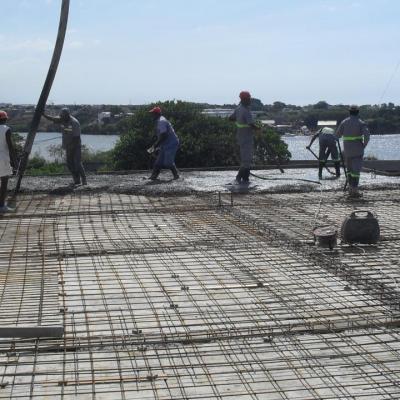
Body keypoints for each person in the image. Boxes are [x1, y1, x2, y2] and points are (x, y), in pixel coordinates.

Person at [43, 108, 87, 185]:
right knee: (69, 164)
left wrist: (71, 147)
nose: (61, 118)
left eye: (63, 116)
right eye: (61, 116)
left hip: (76, 145)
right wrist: (43, 114)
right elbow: (52, 118)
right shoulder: (62, 119)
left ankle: (84, 179)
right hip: (68, 145)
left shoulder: (74, 123)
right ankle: (76, 179)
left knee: (77, 163)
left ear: (67, 115)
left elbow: (76, 138)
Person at [336, 105, 370, 198]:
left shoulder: (344, 122)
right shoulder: (361, 123)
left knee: (349, 171)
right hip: (358, 150)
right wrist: (364, 145)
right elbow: (367, 135)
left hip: (347, 151)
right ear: (358, 112)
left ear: (349, 112)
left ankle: (350, 189)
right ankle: (354, 191)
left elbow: (337, 135)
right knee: (356, 171)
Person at [229, 91, 260, 183]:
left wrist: (239, 119)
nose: (250, 100)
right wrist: (258, 129)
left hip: (241, 136)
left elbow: (230, 118)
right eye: (248, 99)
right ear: (244, 99)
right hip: (246, 137)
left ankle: (243, 177)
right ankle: (242, 177)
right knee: (247, 159)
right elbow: (251, 124)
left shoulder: (238, 109)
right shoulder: (245, 111)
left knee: (246, 157)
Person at [147, 107, 180, 180]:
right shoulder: (159, 120)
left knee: (168, 162)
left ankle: (176, 175)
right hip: (165, 143)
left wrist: (155, 146)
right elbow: (161, 135)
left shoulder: (161, 121)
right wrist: (155, 146)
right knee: (158, 161)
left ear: (156, 114)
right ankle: (153, 176)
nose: (151, 116)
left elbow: (164, 136)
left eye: (152, 114)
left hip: (171, 143)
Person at [0, 111, 17, 213]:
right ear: (5, 119)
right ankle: (1, 206)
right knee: (4, 182)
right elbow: (10, 146)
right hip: (2, 159)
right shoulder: (6, 129)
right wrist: (15, 161)